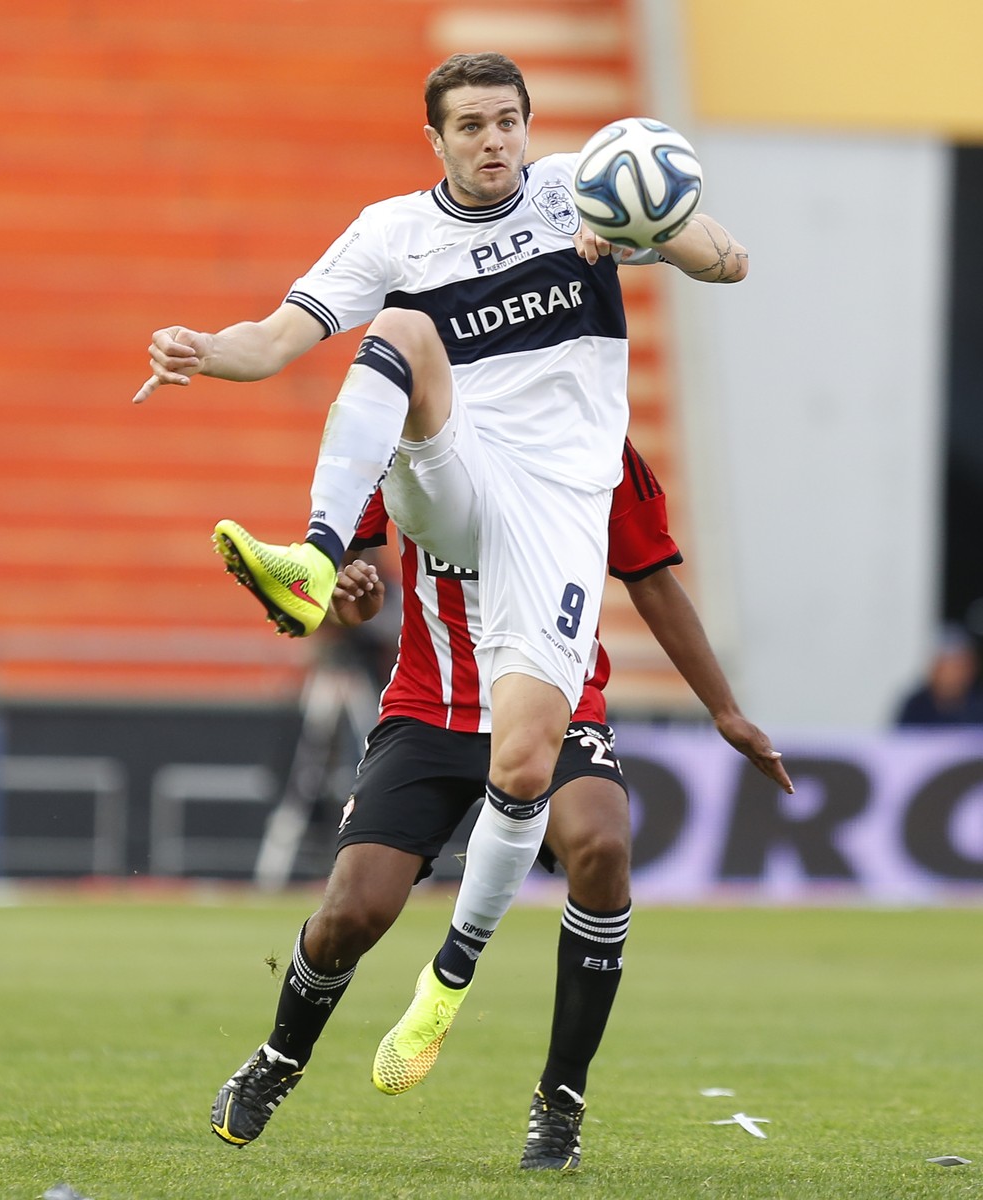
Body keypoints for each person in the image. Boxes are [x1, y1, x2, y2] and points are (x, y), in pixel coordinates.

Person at [135, 52, 748, 1103]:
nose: (493, 140)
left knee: (529, 768)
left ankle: (455, 985)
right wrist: (202, 348)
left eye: (507, 120)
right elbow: (271, 342)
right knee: (403, 328)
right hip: (459, 476)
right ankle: (313, 554)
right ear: (437, 139)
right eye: (470, 125)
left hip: (557, 508)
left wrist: (646, 225)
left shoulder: (579, 189)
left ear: (528, 124)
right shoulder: (393, 233)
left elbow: (726, 262)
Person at [209, 440, 792, 1169]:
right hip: (430, 710)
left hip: (558, 705)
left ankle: (562, 1100)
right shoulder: (415, 429)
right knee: (355, 912)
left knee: (603, 847)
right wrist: (349, 594)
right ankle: (281, 1055)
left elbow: (651, 578)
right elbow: (346, 581)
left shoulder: (598, 439)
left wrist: (725, 710)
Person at [895, 622, 983, 727]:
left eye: (956, 667)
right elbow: (901, 735)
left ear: (970, 670)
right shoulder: (915, 706)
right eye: (943, 667)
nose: (949, 676)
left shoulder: (978, 706)